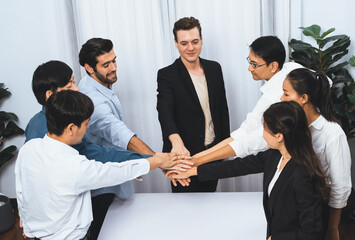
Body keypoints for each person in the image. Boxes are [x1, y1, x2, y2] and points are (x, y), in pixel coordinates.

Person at [26, 61, 192, 240]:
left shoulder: (34, 145)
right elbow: (106, 168)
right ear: (50, 95)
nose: (76, 89)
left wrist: (27, 223)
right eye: (69, 86)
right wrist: (156, 161)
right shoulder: (70, 160)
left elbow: (24, 184)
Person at [168, 101, 327, 239]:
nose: (262, 134)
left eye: (265, 128)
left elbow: (312, 232)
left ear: (279, 136)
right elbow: (235, 167)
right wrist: (191, 171)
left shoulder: (302, 174)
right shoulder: (274, 155)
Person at [189, 36, 302, 167]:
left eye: (254, 64)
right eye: (249, 62)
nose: (249, 68)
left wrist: (200, 160)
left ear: (273, 66)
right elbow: (246, 131)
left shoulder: (275, 96)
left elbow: (250, 139)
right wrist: (199, 156)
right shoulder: (291, 68)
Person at [156, 17, 230, 192]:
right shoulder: (167, 74)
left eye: (195, 42)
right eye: (184, 43)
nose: (190, 48)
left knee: (211, 203)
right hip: (183, 156)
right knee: (185, 210)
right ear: (176, 43)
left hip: (213, 152)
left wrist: (226, 147)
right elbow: (164, 110)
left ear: (202, 40)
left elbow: (222, 109)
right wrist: (176, 142)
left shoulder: (214, 68)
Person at [280, 68, 352, 240]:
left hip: (321, 210)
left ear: (304, 98)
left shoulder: (332, 133)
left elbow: (340, 185)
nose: (281, 99)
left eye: (286, 94)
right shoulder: (294, 126)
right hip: (298, 208)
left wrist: (333, 228)